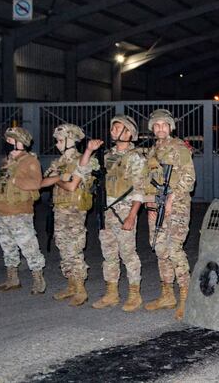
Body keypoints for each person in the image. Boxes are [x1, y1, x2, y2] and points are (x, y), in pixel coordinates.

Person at [79, 115, 146, 312]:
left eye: (117, 128)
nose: (113, 132)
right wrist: (90, 150)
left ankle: (134, 294)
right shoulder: (105, 156)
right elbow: (82, 170)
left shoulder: (135, 157)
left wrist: (132, 215)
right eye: (112, 129)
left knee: (128, 253)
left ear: (129, 133)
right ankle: (111, 292)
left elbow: (139, 189)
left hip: (124, 209)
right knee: (109, 254)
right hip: (105, 211)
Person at [143, 109, 195, 320]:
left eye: (164, 124)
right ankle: (167, 294)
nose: (160, 128)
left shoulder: (179, 148)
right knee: (160, 249)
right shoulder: (151, 152)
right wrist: (149, 205)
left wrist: (172, 198)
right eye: (156, 125)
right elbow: (147, 180)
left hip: (177, 206)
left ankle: (186, 297)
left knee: (174, 249)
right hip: (156, 206)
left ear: (171, 127)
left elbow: (189, 177)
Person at [40, 123, 97, 307]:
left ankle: (81, 289)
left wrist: (57, 180)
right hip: (59, 210)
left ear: (70, 140)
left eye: (59, 140)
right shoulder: (58, 162)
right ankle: (71, 285)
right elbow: (42, 182)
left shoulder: (84, 160)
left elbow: (73, 186)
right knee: (63, 248)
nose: (56, 144)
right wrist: (60, 179)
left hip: (74, 211)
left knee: (74, 249)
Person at [0, 127, 45, 294]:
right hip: (1, 211)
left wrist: (15, 178)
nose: (7, 143)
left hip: (19, 212)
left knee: (29, 247)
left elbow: (36, 184)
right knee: (7, 247)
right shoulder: (5, 161)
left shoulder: (30, 161)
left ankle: (38, 279)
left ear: (21, 143)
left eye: (10, 140)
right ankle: (12, 279)